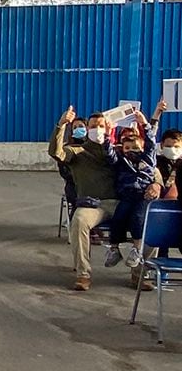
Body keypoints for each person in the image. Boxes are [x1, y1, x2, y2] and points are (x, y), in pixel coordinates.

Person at [48, 107, 117, 291]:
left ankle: (141, 274)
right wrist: (61, 125)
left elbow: (146, 166)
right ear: (87, 128)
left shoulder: (115, 151)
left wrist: (156, 184)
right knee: (79, 220)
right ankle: (83, 273)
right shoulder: (77, 152)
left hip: (119, 204)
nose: (98, 129)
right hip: (93, 205)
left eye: (101, 126)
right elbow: (56, 152)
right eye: (93, 126)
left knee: (148, 219)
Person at [103, 113, 161, 287]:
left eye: (135, 147)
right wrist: (108, 134)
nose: (131, 151)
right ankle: (114, 248)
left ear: (142, 148)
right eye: (127, 148)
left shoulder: (148, 159)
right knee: (118, 217)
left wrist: (145, 124)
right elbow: (109, 153)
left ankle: (137, 248)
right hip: (127, 195)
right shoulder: (121, 161)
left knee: (138, 218)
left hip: (144, 196)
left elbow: (150, 142)